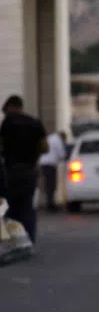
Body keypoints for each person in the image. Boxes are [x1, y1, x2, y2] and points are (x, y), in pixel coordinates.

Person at [0, 95, 48, 243]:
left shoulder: (7, 123)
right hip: (29, 171)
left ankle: (14, 240)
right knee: (27, 207)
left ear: (11, 107)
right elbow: (45, 147)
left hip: (10, 172)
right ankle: (29, 239)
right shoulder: (35, 123)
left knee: (10, 207)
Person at [39, 128, 69, 212]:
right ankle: (50, 204)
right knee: (51, 185)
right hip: (50, 164)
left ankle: (49, 203)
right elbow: (62, 154)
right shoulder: (58, 140)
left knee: (48, 184)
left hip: (43, 163)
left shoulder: (50, 137)